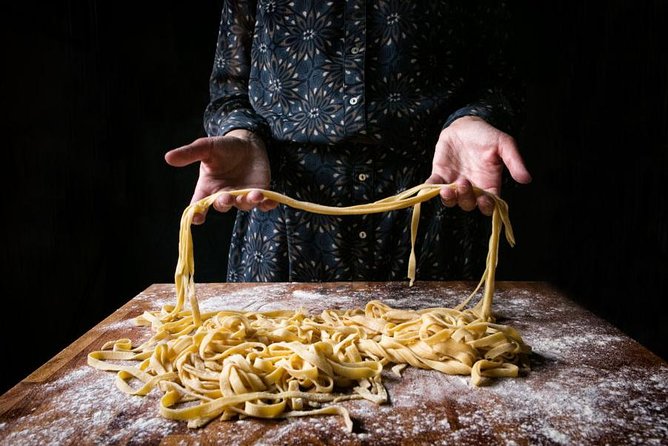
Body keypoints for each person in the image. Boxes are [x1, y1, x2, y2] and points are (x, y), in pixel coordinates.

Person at [165, 1, 532, 282]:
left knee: (444, 379)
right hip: (281, 223)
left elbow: (502, 78)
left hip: (434, 207)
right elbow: (230, 89)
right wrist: (241, 134)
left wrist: (476, 117)